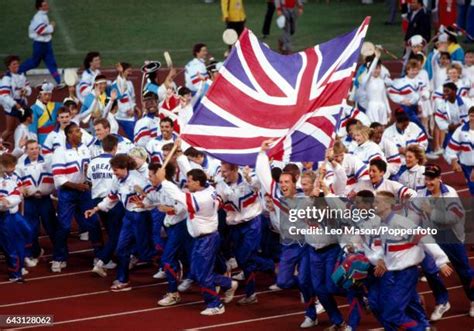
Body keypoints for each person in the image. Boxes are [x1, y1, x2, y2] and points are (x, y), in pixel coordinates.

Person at [154, 165, 237, 315]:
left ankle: (215, 304)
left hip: (206, 239)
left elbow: (178, 196)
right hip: (206, 238)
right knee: (199, 272)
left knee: (202, 274)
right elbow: (188, 180)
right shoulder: (209, 190)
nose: (187, 184)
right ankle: (228, 283)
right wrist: (180, 156)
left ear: (198, 183)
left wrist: (163, 181)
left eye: (190, 181)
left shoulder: (200, 199)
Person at [85, 154, 155, 290]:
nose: (113, 172)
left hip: (141, 217)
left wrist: (145, 203)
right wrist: (96, 208)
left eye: (115, 170)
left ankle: (172, 263)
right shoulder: (117, 180)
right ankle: (123, 279)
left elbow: (152, 197)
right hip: (128, 217)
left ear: (124, 168)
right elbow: (111, 197)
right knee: (121, 248)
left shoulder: (139, 180)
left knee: (145, 252)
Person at [412, 164, 474, 317]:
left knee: (464, 271)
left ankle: (473, 299)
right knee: (430, 271)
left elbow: (453, 218)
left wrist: (431, 212)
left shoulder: (450, 193)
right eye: (427, 178)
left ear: (440, 178)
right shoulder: (420, 195)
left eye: (432, 179)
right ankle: (442, 301)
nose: (429, 182)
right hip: (431, 237)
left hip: (451, 237)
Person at [50, 123, 104, 273]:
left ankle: (99, 256)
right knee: (64, 226)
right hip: (67, 193)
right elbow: (59, 178)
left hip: (84, 192)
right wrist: (77, 186)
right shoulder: (60, 152)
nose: (80, 134)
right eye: (76, 132)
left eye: (79, 131)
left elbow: (90, 171)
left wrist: (88, 180)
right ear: (69, 135)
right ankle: (59, 257)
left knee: (93, 223)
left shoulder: (85, 149)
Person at [86, 134, 124, 276]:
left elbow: (89, 181)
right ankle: (102, 260)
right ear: (115, 147)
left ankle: (108, 258)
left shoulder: (93, 162)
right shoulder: (116, 163)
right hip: (112, 201)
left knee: (111, 231)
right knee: (116, 233)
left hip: (97, 200)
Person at [15, 140, 57, 266]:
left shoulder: (48, 162)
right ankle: (31, 254)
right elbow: (18, 183)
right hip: (30, 202)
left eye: (36, 148)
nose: (34, 151)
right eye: (31, 149)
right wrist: (24, 192)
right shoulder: (20, 166)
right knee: (30, 229)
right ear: (26, 150)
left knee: (52, 227)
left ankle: (60, 255)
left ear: (39, 149)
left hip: (45, 200)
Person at [19, 0, 61, 85]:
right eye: (44, 5)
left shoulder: (43, 15)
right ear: (40, 7)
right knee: (35, 62)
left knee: (51, 63)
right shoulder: (38, 17)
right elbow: (40, 30)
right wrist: (51, 26)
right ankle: (17, 71)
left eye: (46, 5)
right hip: (40, 44)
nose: (47, 7)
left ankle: (59, 81)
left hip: (46, 44)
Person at [0, 154, 25, 282]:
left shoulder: (9, 182)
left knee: (9, 246)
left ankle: (15, 274)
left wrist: (7, 201)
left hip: (4, 217)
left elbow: (16, 197)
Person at [0, 55, 32, 142]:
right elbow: (4, 95)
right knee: (10, 129)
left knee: (28, 122)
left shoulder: (21, 75)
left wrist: (25, 91)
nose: (16, 65)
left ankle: (26, 143)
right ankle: (0, 144)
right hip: (11, 106)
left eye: (17, 63)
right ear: (9, 66)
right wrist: (14, 104)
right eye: (14, 64)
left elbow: (28, 87)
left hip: (21, 103)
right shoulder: (6, 79)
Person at [444, 106, 474, 195]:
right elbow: (451, 148)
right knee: (472, 188)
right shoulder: (460, 130)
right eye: (471, 116)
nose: (473, 118)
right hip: (466, 165)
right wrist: (454, 162)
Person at [112, 62, 138, 140]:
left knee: (137, 134)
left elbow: (132, 98)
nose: (131, 73)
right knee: (134, 138)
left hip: (131, 114)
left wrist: (134, 108)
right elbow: (121, 99)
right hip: (123, 116)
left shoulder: (129, 83)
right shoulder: (116, 84)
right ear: (122, 71)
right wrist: (128, 110)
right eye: (128, 71)